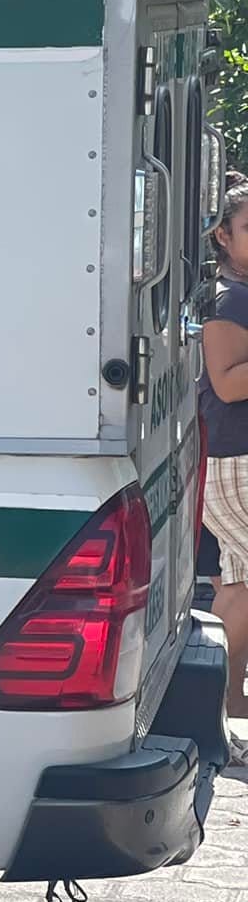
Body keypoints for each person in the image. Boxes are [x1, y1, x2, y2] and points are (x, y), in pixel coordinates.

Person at [196, 180, 248, 762]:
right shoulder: (228, 300)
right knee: (239, 592)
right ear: (222, 237)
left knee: (236, 588)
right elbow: (229, 383)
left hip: (234, 462)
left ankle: (224, 715)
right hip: (238, 463)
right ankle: (218, 712)